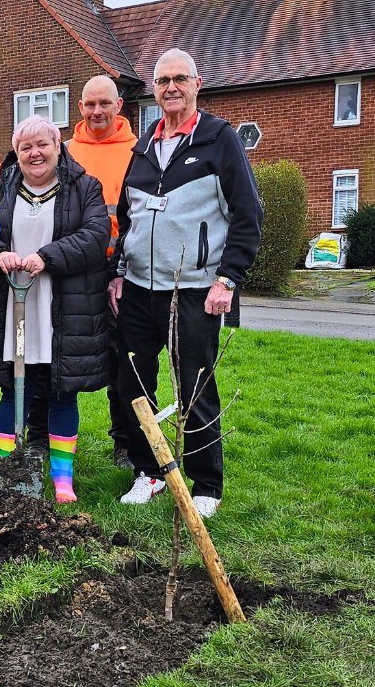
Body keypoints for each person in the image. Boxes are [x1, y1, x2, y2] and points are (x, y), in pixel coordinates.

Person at [110, 49, 262, 517]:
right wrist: (118, 273)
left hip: (194, 288)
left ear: (198, 83)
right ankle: (149, 471)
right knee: (132, 381)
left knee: (194, 385)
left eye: (179, 78)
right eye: (162, 80)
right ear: (153, 90)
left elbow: (247, 215)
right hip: (137, 288)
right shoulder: (143, 148)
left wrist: (227, 279)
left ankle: (206, 484)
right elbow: (127, 217)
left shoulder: (219, 140)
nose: (170, 87)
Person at [0, 115, 110, 503]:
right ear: (16, 153)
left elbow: (96, 236)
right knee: (12, 388)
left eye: (42, 145)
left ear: (57, 145)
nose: (35, 153)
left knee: (61, 391)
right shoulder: (1, 189)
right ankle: (7, 468)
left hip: (62, 308)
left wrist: (46, 257)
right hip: (14, 305)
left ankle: (61, 478)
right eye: (25, 147)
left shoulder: (84, 187)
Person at [25, 75, 137, 469]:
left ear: (118, 106)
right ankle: (38, 436)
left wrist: (122, 264)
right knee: (49, 352)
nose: (96, 111)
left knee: (125, 358)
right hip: (68, 267)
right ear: (80, 108)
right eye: (89, 104)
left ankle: (126, 443)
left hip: (121, 265)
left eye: (104, 103)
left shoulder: (139, 151)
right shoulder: (65, 150)